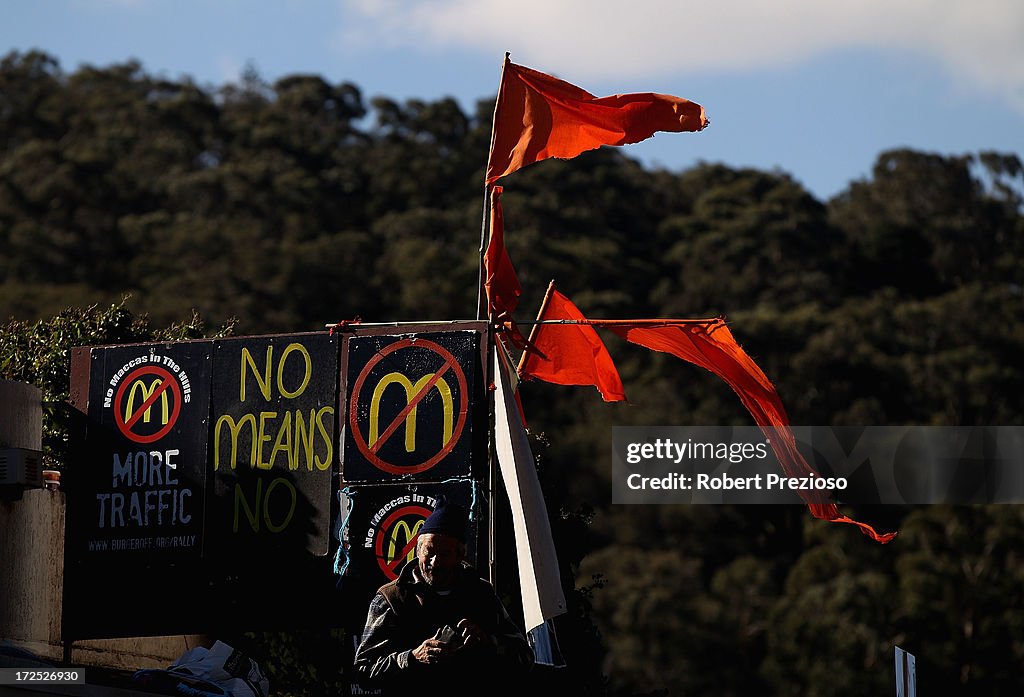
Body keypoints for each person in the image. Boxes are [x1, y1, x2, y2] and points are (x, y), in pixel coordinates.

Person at [353, 497, 534, 694]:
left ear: (460, 555)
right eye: (429, 552)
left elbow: (525, 657)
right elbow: (363, 671)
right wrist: (412, 657)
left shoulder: (481, 594)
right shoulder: (392, 599)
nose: (435, 562)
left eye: (445, 554)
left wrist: (489, 643)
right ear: (417, 551)